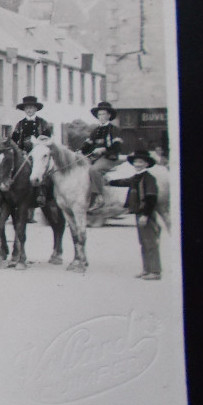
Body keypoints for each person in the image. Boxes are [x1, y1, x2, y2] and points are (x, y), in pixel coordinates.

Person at [107, 149, 162, 280]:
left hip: (145, 214)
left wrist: (146, 215)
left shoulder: (149, 178)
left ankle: (155, 271)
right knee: (144, 242)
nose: (138, 164)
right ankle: (146, 269)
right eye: (136, 161)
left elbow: (151, 198)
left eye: (141, 162)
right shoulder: (136, 177)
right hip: (139, 213)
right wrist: (108, 181)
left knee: (150, 242)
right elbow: (124, 182)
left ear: (146, 164)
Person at [11, 95, 53, 207]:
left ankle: (41, 193)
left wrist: (39, 143)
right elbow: (14, 140)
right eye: (27, 108)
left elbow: (47, 137)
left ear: (36, 109)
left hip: (37, 153)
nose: (29, 110)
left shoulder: (42, 123)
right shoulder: (19, 124)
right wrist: (19, 151)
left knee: (39, 168)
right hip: (23, 153)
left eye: (31, 108)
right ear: (24, 110)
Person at [81, 101, 123, 211]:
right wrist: (80, 152)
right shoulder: (95, 131)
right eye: (99, 114)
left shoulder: (114, 130)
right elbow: (87, 146)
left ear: (109, 115)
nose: (101, 117)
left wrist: (104, 149)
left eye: (104, 114)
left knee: (94, 170)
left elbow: (117, 146)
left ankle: (99, 197)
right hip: (95, 158)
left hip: (110, 158)